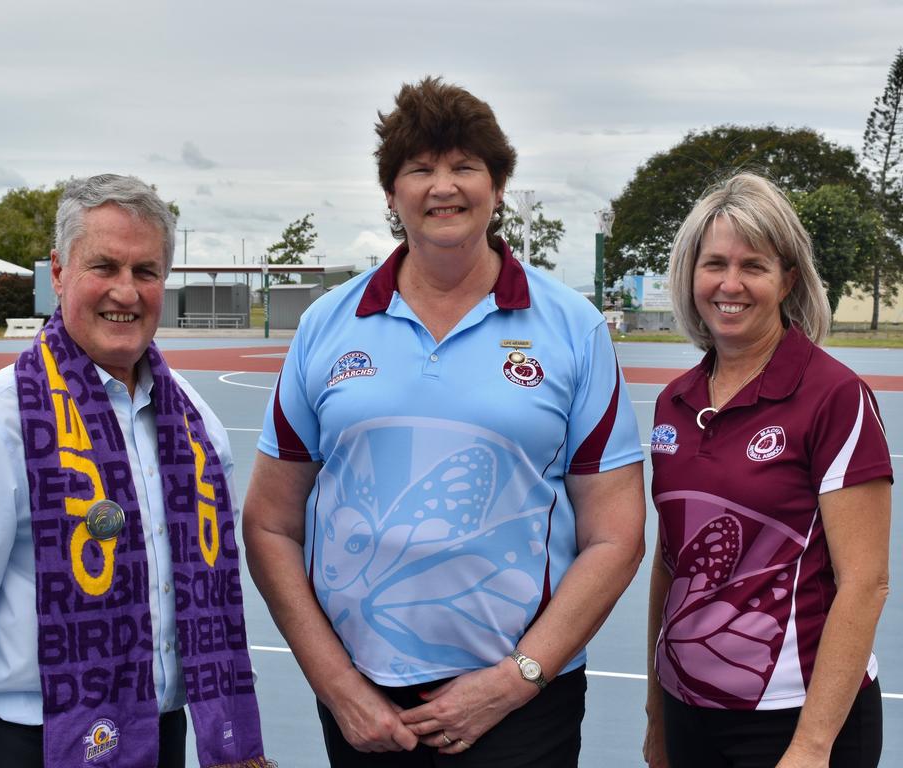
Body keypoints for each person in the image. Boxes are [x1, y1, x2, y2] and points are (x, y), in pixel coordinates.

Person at [243, 76, 646, 767]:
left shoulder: (571, 328)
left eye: (464, 166)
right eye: (420, 168)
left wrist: (515, 680)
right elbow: (270, 523)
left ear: (497, 184)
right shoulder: (327, 326)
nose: (443, 187)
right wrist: (338, 686)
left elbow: (616, 534)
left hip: (522, 701)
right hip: (365, 704)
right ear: (391, 192)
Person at [0, 174, 269, 768]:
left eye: (145, 272)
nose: (126, 292)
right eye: (104, 266)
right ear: (59, 273)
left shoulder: (196, 426)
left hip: (160, 740)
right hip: (29, 745)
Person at [643, 173, 892, 768]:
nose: (730, 284)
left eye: (753, 265)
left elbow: (866, 582)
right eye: (714, 264)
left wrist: (810, 747)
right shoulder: (674, 401)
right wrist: (657, 713)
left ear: (787, 280)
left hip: (797, 719)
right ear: (691, 275)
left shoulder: (835, 396)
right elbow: (671, 561)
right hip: (688, 712)